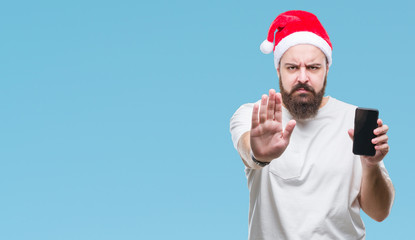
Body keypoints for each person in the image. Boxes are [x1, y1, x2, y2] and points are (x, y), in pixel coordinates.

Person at [229, 10, 395, 240]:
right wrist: (259, 154)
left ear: (327, 68)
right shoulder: (255, 115)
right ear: (278, 70)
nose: (303, 78)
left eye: (313, 67)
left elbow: (379, 213)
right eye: (292, 68)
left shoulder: (354, 121)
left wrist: (371, 165)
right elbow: (248, 149)